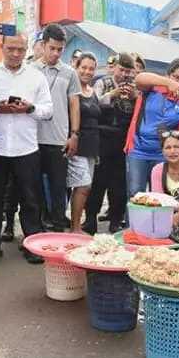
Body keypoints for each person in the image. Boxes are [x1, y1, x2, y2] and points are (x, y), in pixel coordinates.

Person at [0, 33, 52, 264]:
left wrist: (30, 108)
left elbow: (48, 110)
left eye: (20, 50)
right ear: (1, 47)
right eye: (11, 48)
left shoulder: (36, 77)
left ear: (27, 49)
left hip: (26, 148)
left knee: (30, 199)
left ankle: (32, 244)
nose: (15, 54)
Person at [34, 23, 81, 231]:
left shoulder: (69, 72)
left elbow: (74, 104)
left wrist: (74, 134)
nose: (55, 53)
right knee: (34, 188)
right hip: (32, 139)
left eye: (60, 49)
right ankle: (38, 227)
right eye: (52, 48)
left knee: (59, 187)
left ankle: (58, 226)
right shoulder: (30, 70)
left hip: (59, 139)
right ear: (43, 45)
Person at [84, 52, 137, 233]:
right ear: (114, 67)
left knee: (119, 183)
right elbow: (93, 104)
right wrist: (112, 94)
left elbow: (140, 111)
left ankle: (116, 219)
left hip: (122, 139)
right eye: (122, 70)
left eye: (128, 71)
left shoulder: (135, 87)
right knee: (97, 181)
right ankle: (90, 218)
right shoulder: (102, 82)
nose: (125, 75)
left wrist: (134, 98)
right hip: (102, 137)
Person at [125, 58, 179, 198]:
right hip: (138, 150)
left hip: (163, 154)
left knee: (160, 196)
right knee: (135, 193)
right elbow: (139, 78)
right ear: (168, 75)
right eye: (176, 77)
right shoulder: (152, 89)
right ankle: (133, 221)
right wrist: (169, 83)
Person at [67, 52, 101, 234]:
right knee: (83, 187)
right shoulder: (71, 91)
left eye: (91, 68)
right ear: (76, 68)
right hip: (77, 146)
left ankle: (75, 225)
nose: (87, 71)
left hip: (92, 147)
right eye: (84, 67)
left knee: (84, 188)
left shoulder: (93, 91)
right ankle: (75, 227)